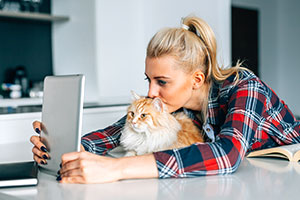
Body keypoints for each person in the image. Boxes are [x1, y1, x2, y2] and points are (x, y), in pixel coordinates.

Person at [30, 16, 300, 184]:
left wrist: (117, 168)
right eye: (149, 79)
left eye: (161, 82)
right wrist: (66, 147)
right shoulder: (175, 102)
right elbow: (115, 133)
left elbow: (227, 155)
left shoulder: (246, 87)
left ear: (196, 79)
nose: (151, 92)